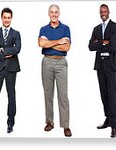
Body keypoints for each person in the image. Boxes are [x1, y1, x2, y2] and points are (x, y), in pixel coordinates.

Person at [88, 4, 116, 138]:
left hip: (111, 65)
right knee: (103, 93)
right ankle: (108, 119)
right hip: (100, 65)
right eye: (101, 11)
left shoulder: (115, 27)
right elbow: (90, 47)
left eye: (105, 11)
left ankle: (114, 126)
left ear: (109, 12)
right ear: (99, 13)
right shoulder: (96, 28)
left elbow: (113, 46)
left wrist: (100, 43)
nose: (103, 13)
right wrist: (104, 42)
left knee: (112, 93)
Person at [38, 4, 72, 137]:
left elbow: (67, 47)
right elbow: (41, 44)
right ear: (48, 13)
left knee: (63, 95)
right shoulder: (43, 28)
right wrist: (59, 42)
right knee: (48, 94)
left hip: (61, 63)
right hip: (47, 61)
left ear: (59, 13)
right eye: (51, 12)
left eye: (56, 12)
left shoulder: (65, 28)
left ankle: (66, 125)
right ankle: (49, 122)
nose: (54, 14)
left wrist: (49, 43)